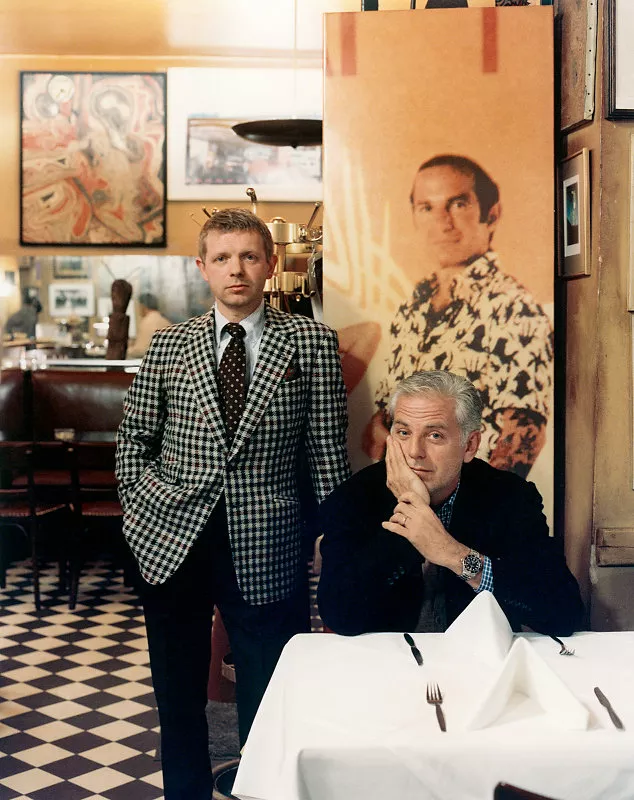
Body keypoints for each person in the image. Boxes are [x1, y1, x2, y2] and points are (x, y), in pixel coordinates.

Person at [116, 208, 350, 800]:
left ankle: (261, 791)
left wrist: (335, 535)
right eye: (222, 258)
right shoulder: (170, 344)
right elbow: (134, 439)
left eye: (248, 256)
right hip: (172, 540)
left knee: (270, 694)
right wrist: (142, 509)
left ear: (269, 264)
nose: (236, 270)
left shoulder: (312, 343)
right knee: (177, 694)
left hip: (268, 540)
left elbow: (326, 448)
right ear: (203, 267)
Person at [318, 370, 583, 637]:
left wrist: (454, 554)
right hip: (390, 658)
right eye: (403, 432)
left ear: (469, 445)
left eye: (434, 435)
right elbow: (339, 615)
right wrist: (410, 517)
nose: (414, 452)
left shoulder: (511, 496)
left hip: (477, 657)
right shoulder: (354, 496)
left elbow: (564, 614)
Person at [363, 154, 554, 478]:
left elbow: (523, 438)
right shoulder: (411, 308)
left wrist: (472, 506)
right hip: (401, 496)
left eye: (458, 204)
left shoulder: (514, 308)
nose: (443, 222)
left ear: (491, 215)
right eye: (427, 208)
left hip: (467, 502)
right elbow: (382, 420)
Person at [126, 291, 171, 357]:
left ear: (142, 306)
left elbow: (140, 350)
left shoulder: (147, 322)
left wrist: (124, 350)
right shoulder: (165, 321)